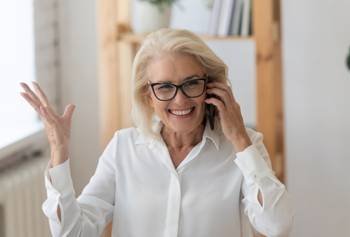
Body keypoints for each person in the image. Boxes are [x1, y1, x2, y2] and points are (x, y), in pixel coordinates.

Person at [20, 28, 293, 237]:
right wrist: (59, 153)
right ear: (147, 96)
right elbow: (74, 232)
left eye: (191, 83)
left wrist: (240, 140)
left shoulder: (244, 148)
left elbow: (276, 225)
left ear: (211, 87)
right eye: (164, 87)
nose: (180, 100)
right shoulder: (123, 148)